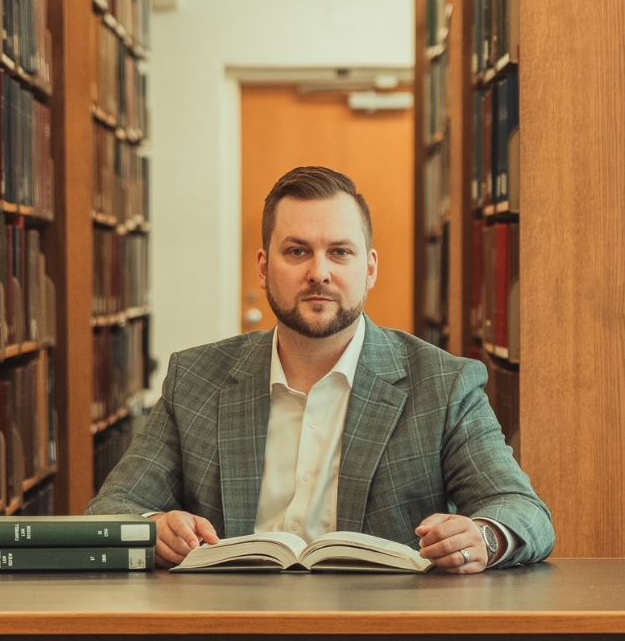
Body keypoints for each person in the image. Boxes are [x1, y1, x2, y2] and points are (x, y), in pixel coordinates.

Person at [87, 166, 555, 573]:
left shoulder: (444, 383)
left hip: (381, 639)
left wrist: (483, 537)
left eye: (340, 252)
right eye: (297, 252)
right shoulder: (196, 378)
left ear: (369, 268)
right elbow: (110, 511)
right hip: (231, 635)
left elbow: (522, 510)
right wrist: (154, 530)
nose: (319, 272)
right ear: (263, 267)